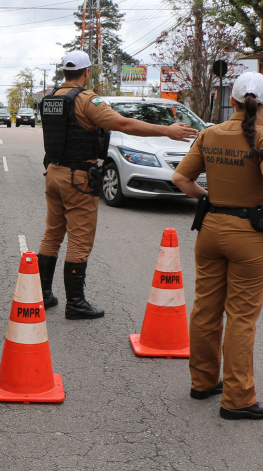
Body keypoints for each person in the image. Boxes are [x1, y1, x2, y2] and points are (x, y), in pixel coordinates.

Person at [172, 72, 263, 420]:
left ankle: (202, 382)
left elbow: (180, 179)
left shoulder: (209, 133)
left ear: (232, 99)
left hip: (210, 230)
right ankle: (238, 398)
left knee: (205, 309)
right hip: (249, 237)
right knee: (241, 317)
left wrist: (208, 198)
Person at [37, 51, 199, 320]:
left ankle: (43, 294)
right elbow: (122, 124)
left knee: (53, 234)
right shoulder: (86, 99)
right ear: (86, 72)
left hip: (53, 171)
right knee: (79, 240)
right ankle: (75, 304)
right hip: (77, 178)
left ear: (64, 72)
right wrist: (167, 130)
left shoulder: (51, 98)